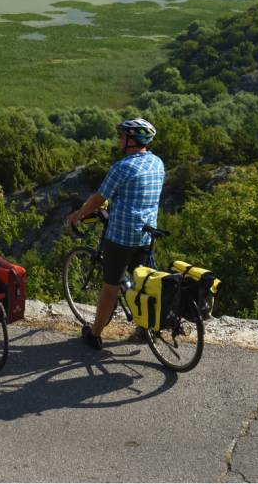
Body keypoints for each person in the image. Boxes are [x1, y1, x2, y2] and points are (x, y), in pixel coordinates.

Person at [66, 117, 164, 350]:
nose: (118, 139)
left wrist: (77, 215)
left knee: (110, 285)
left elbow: (99, 198)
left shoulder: (123, 167)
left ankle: (95, 334)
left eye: (121, 136)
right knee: (142, 282)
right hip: (147, 233)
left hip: (122, 235)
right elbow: (136, 196)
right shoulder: (157, 163)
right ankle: (146, 328)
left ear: (132, 140)